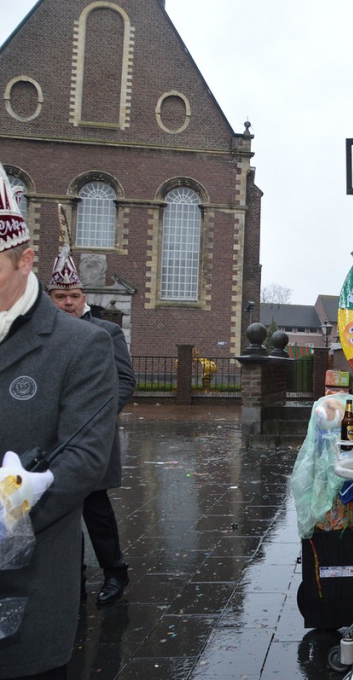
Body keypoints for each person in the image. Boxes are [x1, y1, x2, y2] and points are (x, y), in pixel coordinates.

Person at [0, 168, 117, 679]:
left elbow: (82, 461)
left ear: (25, 261)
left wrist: (6, 519)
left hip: (25, 586)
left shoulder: (83, 344)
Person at [48, 204, 135, 606]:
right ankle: (72, 578)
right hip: (50, 438)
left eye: (74, 295)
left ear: (84, 297)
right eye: (60, 296)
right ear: (50, 298)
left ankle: (115, 573)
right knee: (57, 512)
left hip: (91, 437)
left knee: (95, 509)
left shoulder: (105, 333)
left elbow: (125, 381)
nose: (68, 302)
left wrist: (97, 419)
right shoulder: (41, 334)